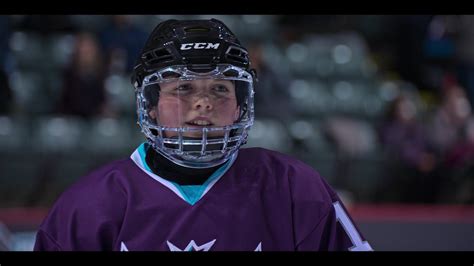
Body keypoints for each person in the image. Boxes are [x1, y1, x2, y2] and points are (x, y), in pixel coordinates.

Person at [34, 18, 372, 251]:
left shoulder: (296, 190)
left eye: (221, 89)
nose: (202, 103)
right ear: (150, 104)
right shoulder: (87, 208)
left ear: (241, 104)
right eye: (183, 88)